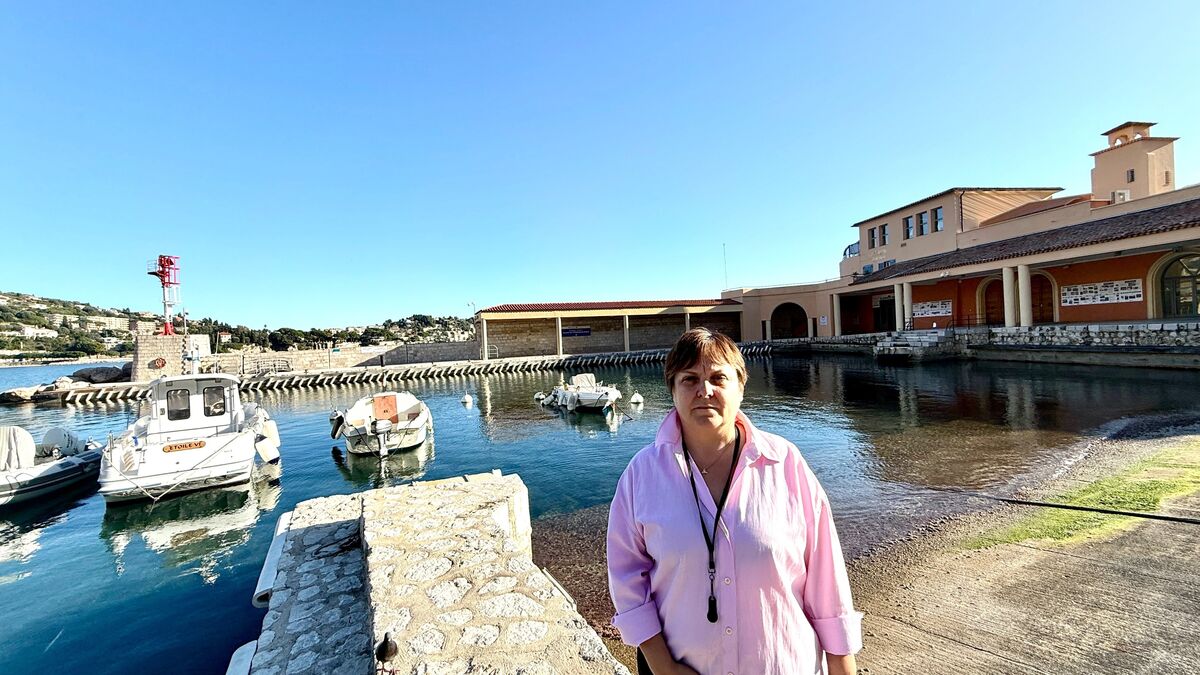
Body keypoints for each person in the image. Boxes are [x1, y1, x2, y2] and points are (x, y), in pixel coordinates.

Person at [606, 328, 862, 675]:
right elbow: (626, 580)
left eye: (718, 377)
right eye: (690, 379)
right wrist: (663, 669)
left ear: (740, 386)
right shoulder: (642, 476)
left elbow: (826, 574)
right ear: (673, 389)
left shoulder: (785, 463)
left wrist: (841, 664)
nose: (704, 390)